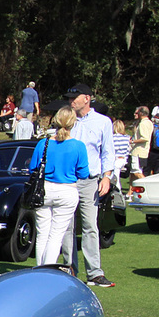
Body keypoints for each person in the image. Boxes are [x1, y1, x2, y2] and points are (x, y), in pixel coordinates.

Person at [64, 82, 117, 287]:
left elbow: (107, 152)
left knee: (90, 226)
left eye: (74, 98)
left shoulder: (102, 122)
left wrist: (107, 177)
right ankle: (69, 268)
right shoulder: (66, 119)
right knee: (67, 226)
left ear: (86, 98)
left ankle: (94, 272)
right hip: (67, 180)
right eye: (69, 98)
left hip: (89, 180)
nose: (71, 101)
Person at [29, 105, 91, 266]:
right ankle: (48, 270)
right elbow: (84, 174)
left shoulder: (44, 143)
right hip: (67, 190)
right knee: (56, 236)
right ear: (73, 123)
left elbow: (32, 168)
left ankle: (39, 268)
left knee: (42, 234)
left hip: (44, 190)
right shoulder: (78, 146)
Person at [129, 105, 153, 179]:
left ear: (141, 113)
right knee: (133, 173)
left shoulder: (143, 123)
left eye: (137, 112)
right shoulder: (149, 122)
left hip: (138, 152)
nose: (135, 114)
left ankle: (147, 186)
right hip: (142, 151)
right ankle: (131, 191)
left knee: (137, 171)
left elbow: (145, 138)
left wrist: (132, 141)